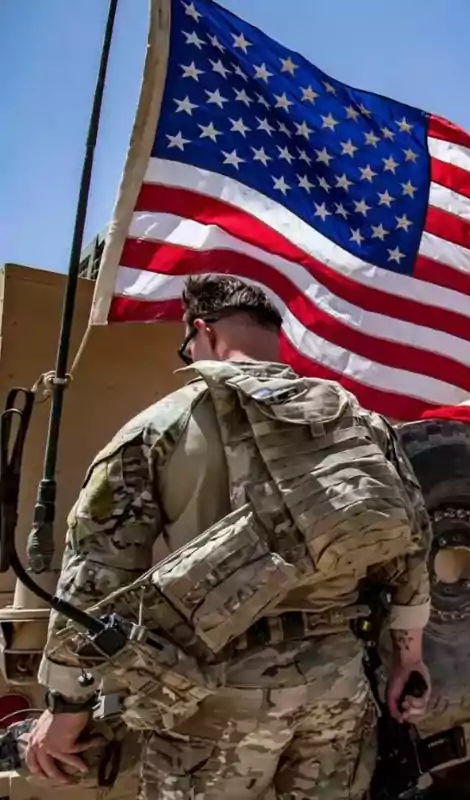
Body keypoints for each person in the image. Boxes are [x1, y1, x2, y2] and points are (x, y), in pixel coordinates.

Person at [24, 275, 433, 798]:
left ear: (204, 332)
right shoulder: (360, 423)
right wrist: (409, 659)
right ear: (272, 333)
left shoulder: (160, 428)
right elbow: (413, 546)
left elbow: (93, 574)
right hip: (338, 686)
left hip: (214, 697)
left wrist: (66, 708)